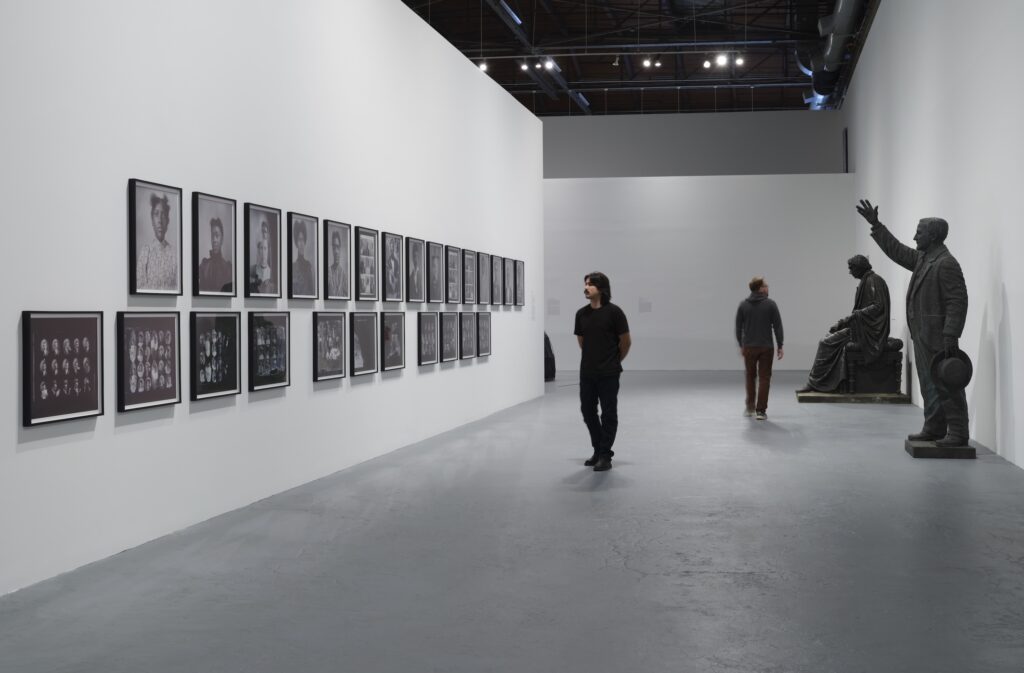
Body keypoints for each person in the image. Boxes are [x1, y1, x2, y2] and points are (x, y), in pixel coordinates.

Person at [857, 199, 969, 447]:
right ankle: (934, 427)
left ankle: (959, 432)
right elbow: (896, 250)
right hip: (923, 334)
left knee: (947, 382)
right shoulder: (924, 259)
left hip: (938, 335)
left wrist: (951, 333)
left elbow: (957, 300)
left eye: (919, 232)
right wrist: (876, 225)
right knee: (929, 383)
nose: (915, 236)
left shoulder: (945, 263)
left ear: (933, 236)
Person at [797, 255, 890, 393]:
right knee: (829, 339)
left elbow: (878, 307)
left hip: (869, 332)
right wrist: (845, 322)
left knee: (825, 343)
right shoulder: (868, 280)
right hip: (861, 328)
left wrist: (847, 321)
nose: (850, 272)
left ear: (859, 267)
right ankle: (827, 381)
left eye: (851, 268)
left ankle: (815, 383)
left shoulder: (873, 281)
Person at [574, 272, 631, 472]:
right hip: (587, 372)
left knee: (608, 414)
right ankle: (598, 448)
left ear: (602, 288)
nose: (586, 287)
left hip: (609, 373)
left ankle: (605, 455)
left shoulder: (615, 313)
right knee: (587, 411)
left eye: (590, 284)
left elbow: (625, 342)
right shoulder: (581, 314)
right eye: (585, 284)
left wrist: (613, 362)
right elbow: (582, 342)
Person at [735, 276, 784, 420]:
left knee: (750, 377)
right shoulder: (771, 305)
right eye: (766, 286)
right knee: (764, 378)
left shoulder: (743, 305)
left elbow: (739, 328)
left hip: (749, 347)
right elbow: (778, 326)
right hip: (766, 348)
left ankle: (750, 407)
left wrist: (741, 344)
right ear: (760, 288)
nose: (768, 288)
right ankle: (761, 411)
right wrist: (780, 345)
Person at [137, 192, 178, 291]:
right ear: (152, 220)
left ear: (167, 221)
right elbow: (139, 286)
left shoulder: (174, 253)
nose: (160, 220)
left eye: (163, 215)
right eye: (156, 214)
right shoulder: (145, 251)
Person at [198, 217, 233, 293]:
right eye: (212, 236)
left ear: (222, 239)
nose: (214, 240)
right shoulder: (204, 265)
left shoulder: (228, 268)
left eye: (217, 236)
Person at [291, 221, 315, 296]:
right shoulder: (293, 267)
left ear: (305, 242)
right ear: (296, 243)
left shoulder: (308, 266)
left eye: (303, 240)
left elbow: (312, 292)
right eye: (299, 240)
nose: (301, 243)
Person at [327, 230, 348, 297]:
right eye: (334, 248)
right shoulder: (328, 272)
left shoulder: (343, 275)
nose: (336, 251)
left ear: (340, 249)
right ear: (332, 250)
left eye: (338, 247)